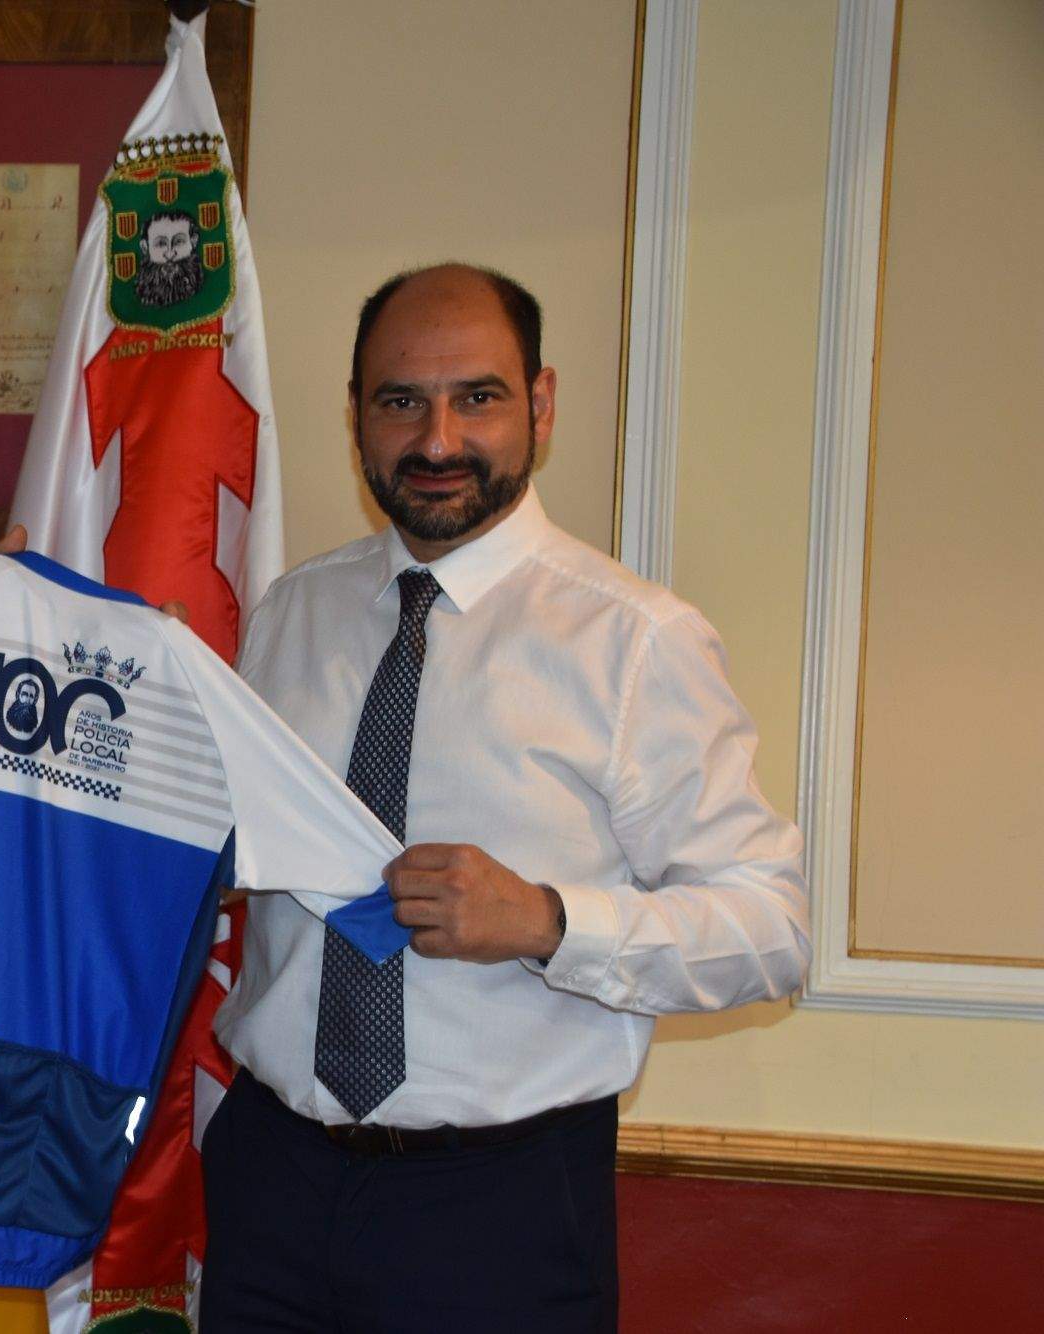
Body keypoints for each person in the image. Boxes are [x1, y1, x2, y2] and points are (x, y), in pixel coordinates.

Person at [200, 263, 811, 1332]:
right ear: (355, 418)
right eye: (400, 400)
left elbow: (770, 926)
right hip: (270, 1180)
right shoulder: (288, 614)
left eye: (475, 396)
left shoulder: (634, 642)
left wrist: (548, 919)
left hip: (499, 1207)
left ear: (539, 403)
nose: (436, 439)